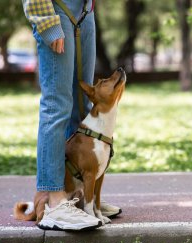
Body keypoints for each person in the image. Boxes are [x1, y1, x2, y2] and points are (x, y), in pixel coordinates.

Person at [21, 0, 121, 230]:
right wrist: (46, 20)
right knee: (58, 105)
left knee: (82, 103)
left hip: (86, 10)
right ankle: (55, 201)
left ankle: (79, 196)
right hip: (55, 9)